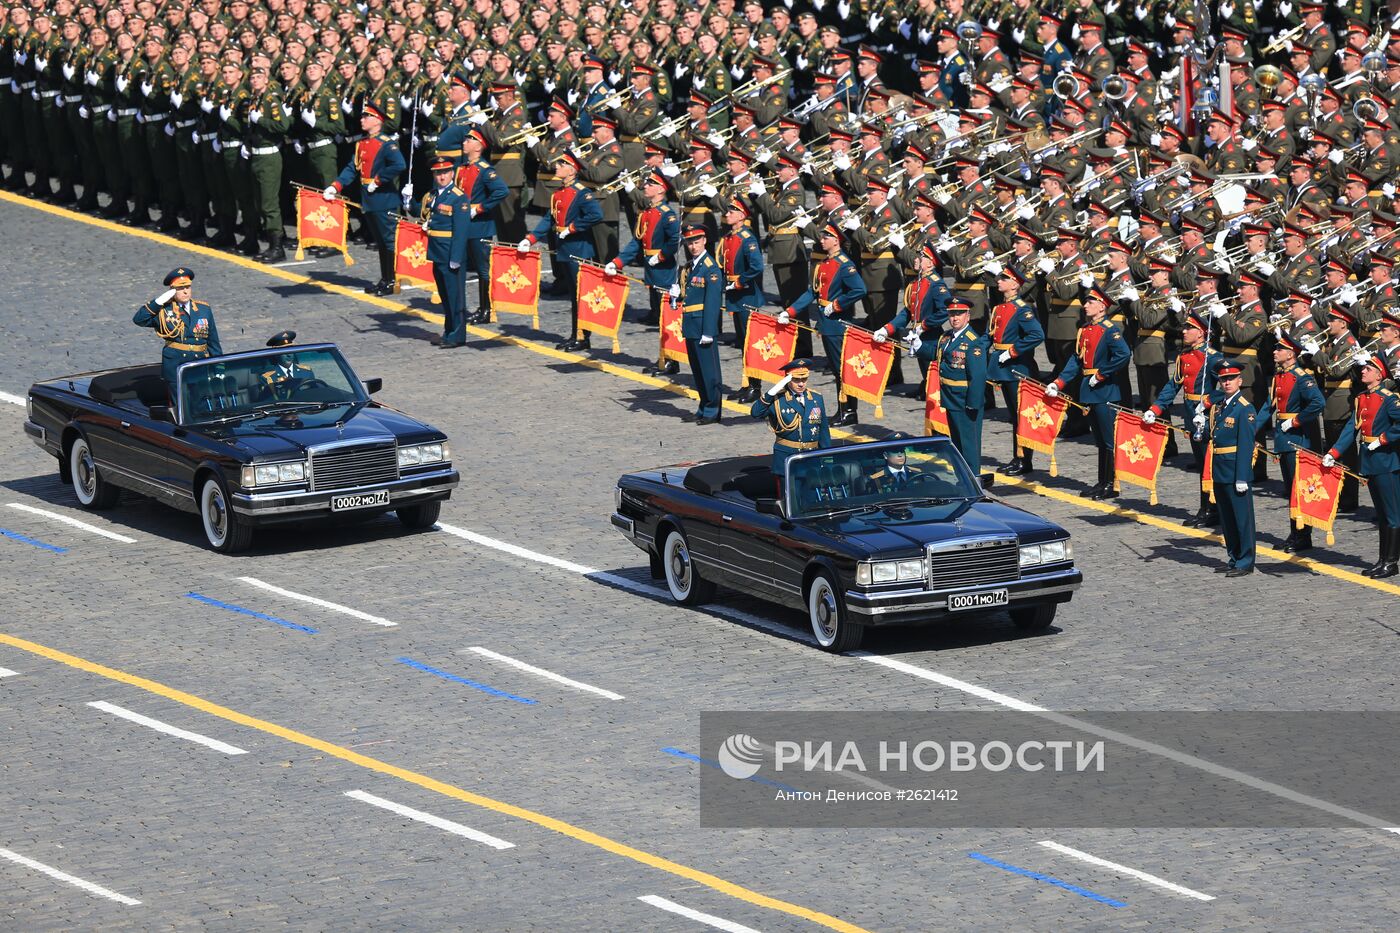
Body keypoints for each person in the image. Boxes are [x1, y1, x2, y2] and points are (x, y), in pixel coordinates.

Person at [1045, 286, 1131, 500]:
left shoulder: (1110, 330)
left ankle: (1111, 483)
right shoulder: (1084, 329)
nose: (1085, 306)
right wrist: (1059, 382)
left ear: (1102, 307)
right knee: (1100, 440)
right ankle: (1102, 481)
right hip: (1089, 389)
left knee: (1108, 440)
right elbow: (1076, 359)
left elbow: (1123, 354)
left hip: (1105, 391)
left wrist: (1102, 374)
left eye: (1090, 303)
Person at [782, 224, 867, 426]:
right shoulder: (823, 263)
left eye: (826, 237)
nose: (822, 240)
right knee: (836, 368)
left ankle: (848, 411)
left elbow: (859, 289)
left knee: (841, 369)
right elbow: (812, 292)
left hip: (837, 323)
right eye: (822, 237)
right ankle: (842, 409)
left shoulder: (845, 264)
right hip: (826, 322)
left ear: (836, 240)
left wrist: (837, 305)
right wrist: (790, 311)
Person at [1324, 354, 1400, 578]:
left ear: (1379, 374)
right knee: (1382, 512)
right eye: (1363, 369)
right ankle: (1382, 559)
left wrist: (1384, 438)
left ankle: (1392, 562)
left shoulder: (1389, 398)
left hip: (1386, 460)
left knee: (1392, 514)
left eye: (1368, 369)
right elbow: (1351, 429)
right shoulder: (1361, 398)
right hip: (1370, 460)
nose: (1363, 372)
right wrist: (1333, 452)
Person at [1145, 313, 1223, 528]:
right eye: (1184, 328)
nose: (1184, 331)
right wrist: (1156, 408)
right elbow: (1173, 385)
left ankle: (1212, 509)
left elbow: (1228, 389)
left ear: (1201, 333)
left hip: (1207, 416)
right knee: (1200, 463)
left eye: (1189, 328)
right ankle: (1206, 508)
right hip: (1191, 413)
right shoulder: (1185, 356)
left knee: (1209, 464)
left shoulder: (1213, 358)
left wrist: (1207, 403)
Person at [521, 152, 603, 352]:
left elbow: (596, 215)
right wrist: (530, 239)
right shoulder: (557, 193)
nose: (556, 167)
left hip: (578, 248)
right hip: (564, 247)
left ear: (572, 170)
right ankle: (576, 334)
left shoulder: (582, 193)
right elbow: (550, 219)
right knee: (572, 294)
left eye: (561, 164)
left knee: (579, 294)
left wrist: (573, 227)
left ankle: (582, 337)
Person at [324, 103, 406, 297]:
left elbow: (399, 164)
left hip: (383, 198)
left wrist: (378, 180)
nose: (361, 120)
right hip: (369, 198)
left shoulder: (387, 143)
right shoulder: (362, 143)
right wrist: (336, 186)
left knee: (388, 241)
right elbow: (353, 168)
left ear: (377, 121)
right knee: (380, 240)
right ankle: (385, 278)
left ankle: (392, 279)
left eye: (366, 117)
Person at [1255, 333, 1327, 553]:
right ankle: (1296, 533)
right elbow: (1269, 406)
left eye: (1279, 349)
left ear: (1290, 354)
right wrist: (1251, 430)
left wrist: (1296, 421)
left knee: (1298, 488)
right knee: (1290, 488)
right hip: (1284, 438)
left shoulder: (1301, 377)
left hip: (1297, 439)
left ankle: (1302, 535)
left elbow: (1318, 403)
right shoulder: (1280, 376)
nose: (1274, 352)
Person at [986, 266, 1045, 476]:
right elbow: (990, 335)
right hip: (1003, 367)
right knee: (1014, 414)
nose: (998, 281)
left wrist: (1013, 351)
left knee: (1021, 416)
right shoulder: (999, 308)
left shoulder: (1023, 309)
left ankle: (1024, 459)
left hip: (1018, 368)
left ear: (1014, 285)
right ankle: (1017, 456)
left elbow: (1036, 335)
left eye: (1004, 278)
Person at [1207, 362, 1259, 577]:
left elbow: (1246, 445)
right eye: (1223, 379)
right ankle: (1234, 556)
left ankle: (1245, 560)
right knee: (1227, 518)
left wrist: (1242, 477)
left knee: (1241, 518)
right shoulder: (1221, 405)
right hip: (1220, 467)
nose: (1226, 382)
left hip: (1235, 469)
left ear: (1240, 381)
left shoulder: (1245, 408)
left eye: (1231, 378)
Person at [132, 267, 221, 391]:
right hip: (176, 365)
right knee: (179, 406)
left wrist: (219, 367)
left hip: (199, 363)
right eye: (180, 288)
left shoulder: (203, 309)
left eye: (187, 287)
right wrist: (158, 302)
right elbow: (139, 319)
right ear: (172, 291)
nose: (185, 291)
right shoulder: (164, 311)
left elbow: (213, 341)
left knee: (200, 402)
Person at [453, 128, 508, 324]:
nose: (465, 142)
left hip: (479, 226)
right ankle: (469, 306)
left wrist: (480, 208)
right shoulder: (461, 168)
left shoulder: (485, 170)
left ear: (478, 146)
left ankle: (487, 309)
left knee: (483, 270)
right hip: (463, 225)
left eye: (470, 139)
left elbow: (501, 191)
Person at [933, 299, 990, 475]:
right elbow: (938, 356)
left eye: (959, 314)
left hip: (965, 399)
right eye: (951, 314)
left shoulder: (973, 342)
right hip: (951, 397)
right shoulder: (946, 337)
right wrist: (918, 346)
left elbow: (978, 376)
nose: (955, 318)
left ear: (968, 316)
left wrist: (973, 404)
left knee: (969, 444)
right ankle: (962, 477)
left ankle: (974, 478)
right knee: (957, 442)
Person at [675, 223, 724, 424]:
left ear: (704, 241)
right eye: (690, 243)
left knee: (709, 372)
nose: (693, 246)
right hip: (691, 325)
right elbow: (688, 296)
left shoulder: (710, 269)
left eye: (696, 242)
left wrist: (709, 331)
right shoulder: (691, 266)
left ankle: (713, 410)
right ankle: (704, 406)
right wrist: (675, 295)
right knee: (698, 370)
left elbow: (712, 303)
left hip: (703, 326)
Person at [751, 358, 831, 479]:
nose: (801, 384)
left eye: (804, 379)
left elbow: (823, 430)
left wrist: (827, 461)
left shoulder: (816, 398)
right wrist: (772, 391)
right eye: (796, 379)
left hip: (811, 459)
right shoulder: (778, 400)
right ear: (787, 380)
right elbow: (755, 413)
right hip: (787, 459)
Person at [421, 156, 471, 349]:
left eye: (444, 172)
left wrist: (456, 257)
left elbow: (461, 230)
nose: (441, 176)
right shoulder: (433, 195)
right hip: (437, 253)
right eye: (437, 173)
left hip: (450, 253)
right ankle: (449, 331)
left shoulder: (458, 197)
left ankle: (457, 335)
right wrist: (408, 201)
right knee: (445, 296)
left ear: (452, 173)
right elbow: (426, 215)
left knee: (455, 297)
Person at [720, 198, 766, 404]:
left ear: (741, 215)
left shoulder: (747, 238)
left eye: (732, 212)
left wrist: (739, 282)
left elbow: (756, 267)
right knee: (742, 342)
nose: (727, 214)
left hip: (746, 295)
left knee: (749, 343)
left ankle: (755, 387)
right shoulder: (729, 237)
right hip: (734, 295)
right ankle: (747, 383)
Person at [859, 444, 925, 495]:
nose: (900, 455)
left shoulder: (917, 473)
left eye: (902, 451)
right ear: (885, 455)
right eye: (895, 451)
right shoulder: (876, 479)